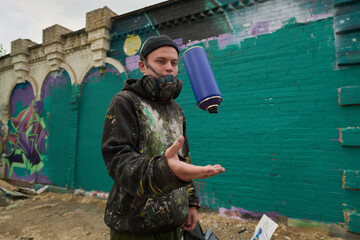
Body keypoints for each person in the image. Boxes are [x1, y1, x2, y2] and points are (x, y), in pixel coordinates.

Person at [101, 35, 225, 240]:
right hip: (134, 228)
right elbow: (119, 162)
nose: (169, 68)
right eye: (161, 61)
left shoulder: (177, 110)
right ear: (143, 66)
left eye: (174, 63)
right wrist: (166, 170)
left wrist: (191, 203)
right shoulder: (125, 101)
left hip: (174, 223)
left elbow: (183, 159)